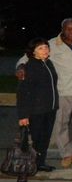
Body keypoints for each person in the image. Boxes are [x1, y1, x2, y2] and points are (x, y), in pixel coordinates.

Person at [17, 18, 72, 168]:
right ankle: (66, 153)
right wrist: (20, 67)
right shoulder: (52, 44)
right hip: (63, 91)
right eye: (68, 28)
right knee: (61, 124)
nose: (71, 31)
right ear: (62, 29)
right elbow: (27, 56)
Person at [16, 38, 59, 174]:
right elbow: (22, 93)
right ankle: (27, 166)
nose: (45, 50)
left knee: (44, 138)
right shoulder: (29, 67)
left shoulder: (48, 63)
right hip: (36, 111)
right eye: (40, 48)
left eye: (46, 47)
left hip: (50, 109)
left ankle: (40, 163)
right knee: (35, 140)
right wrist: (23, 115)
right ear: (33, 52)